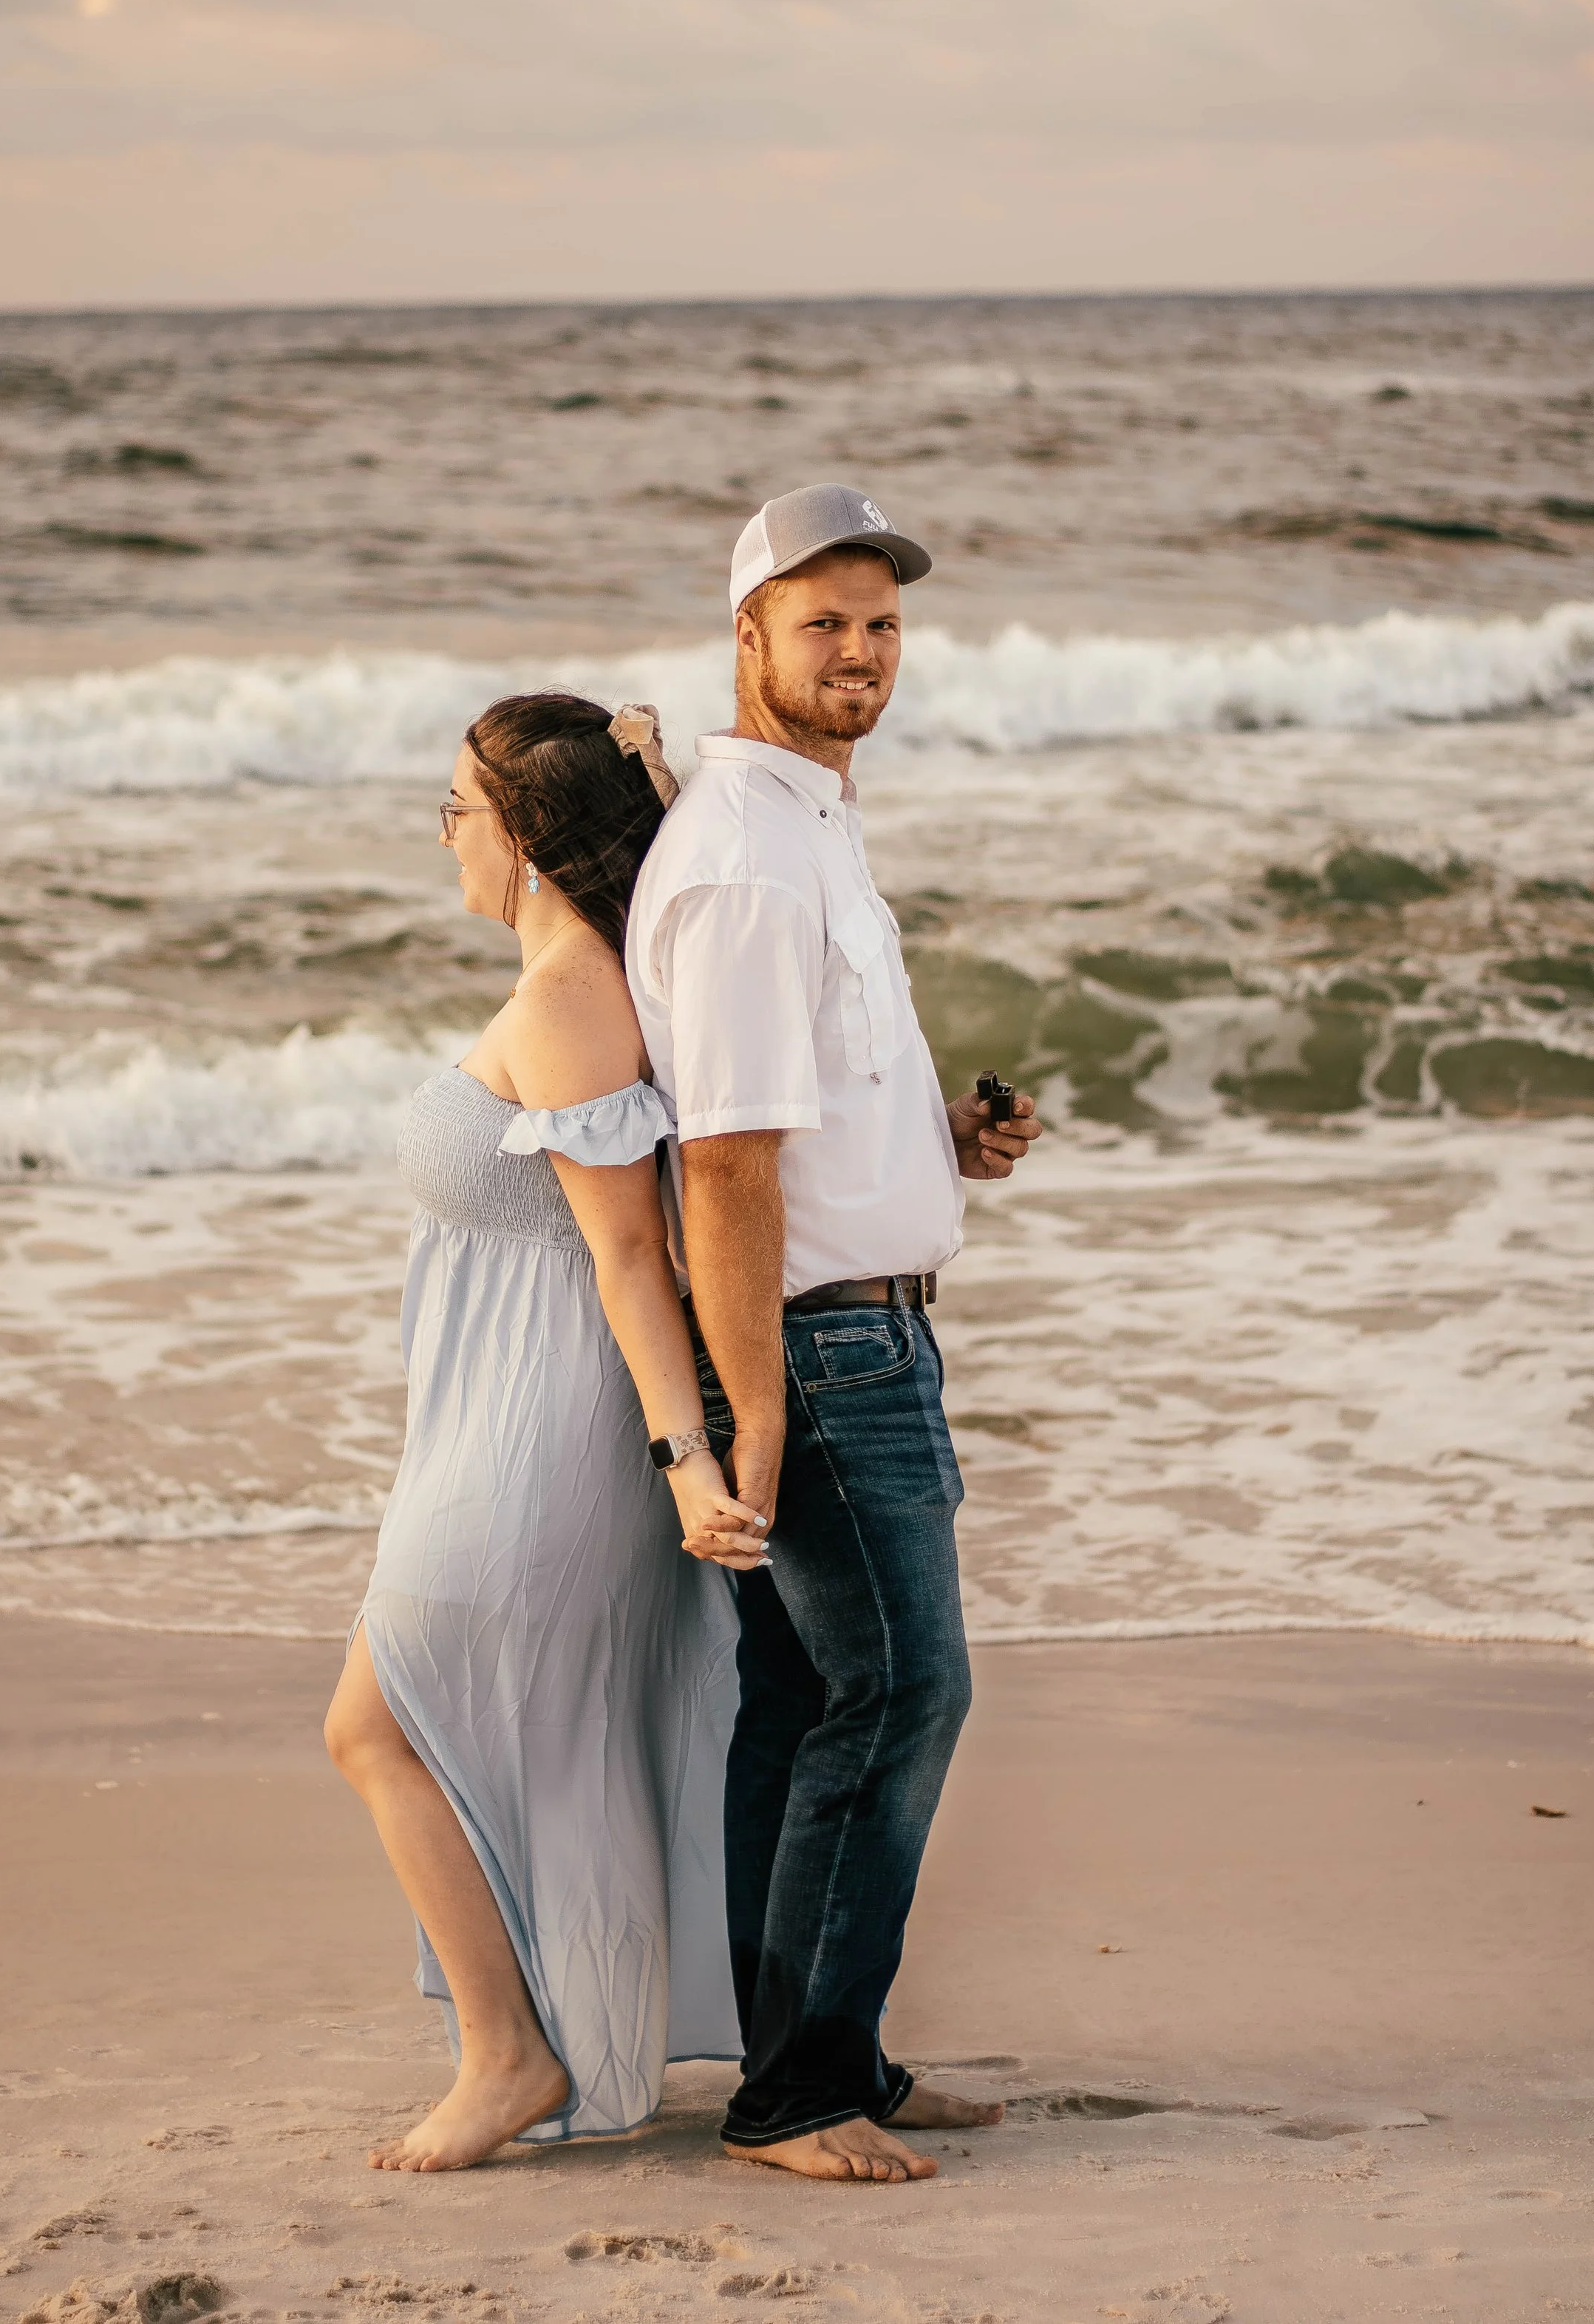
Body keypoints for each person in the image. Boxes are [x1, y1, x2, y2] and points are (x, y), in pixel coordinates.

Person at [625, 483, 1046, 2184]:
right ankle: (794, 2091)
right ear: (748, 638)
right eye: (823, 624)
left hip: (867, 1329)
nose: (860, 652)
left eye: (880, 624)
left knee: (807, 1702)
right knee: (898, 1690)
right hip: (814, 1351)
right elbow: (720, 1158)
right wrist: (757, 1411)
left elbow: (793, 1106)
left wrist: (934, 1132)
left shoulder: (808, 821)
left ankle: (828, 2057)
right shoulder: (737, 854)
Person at [324, 692, 769, 2172]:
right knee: (434, 1727)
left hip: (549, 1439)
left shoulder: (576, 990)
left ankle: (507, 2054)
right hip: (490, 1421)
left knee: (374, 1723)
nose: (442, 837)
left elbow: (630, 1256)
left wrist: (679, 1461)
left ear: (518, 833)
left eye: (454, 810)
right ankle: (514, 2042)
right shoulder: (568, 979)